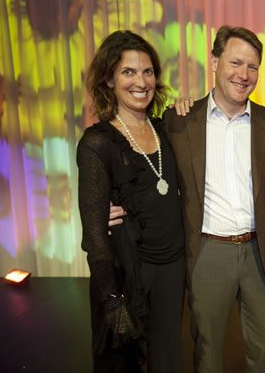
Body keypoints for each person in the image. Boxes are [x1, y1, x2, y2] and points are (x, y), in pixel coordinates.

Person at [162, 26, 265, 372]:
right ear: (215, 62)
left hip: (259, 253)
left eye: (252, 66)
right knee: (207, 352)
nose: (244, 74)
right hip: (208, 252)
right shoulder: (179, 121)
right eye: (235, 62)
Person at [77, 30, 186, 372]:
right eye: (128, 72)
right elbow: (95, 237)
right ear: (109, 80)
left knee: (167, 360)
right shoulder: (98, 143)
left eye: (148, 71)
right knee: (124, 363)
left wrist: (187, 105)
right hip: (129, 273)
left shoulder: (165, 129)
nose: (141, 81)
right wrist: (113, 302)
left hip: (173, 267)